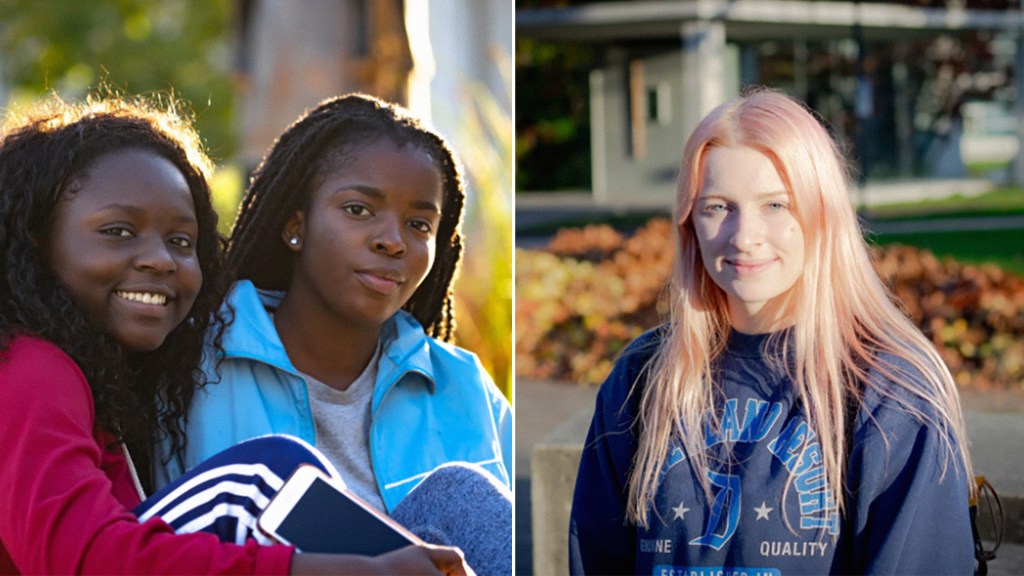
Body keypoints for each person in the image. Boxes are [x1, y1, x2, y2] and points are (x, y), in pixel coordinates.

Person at [0, 94, 470, 575]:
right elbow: (79, 559)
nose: (161, 259)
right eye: (119, 231)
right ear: (36, 239)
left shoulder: (93, 379)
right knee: (263, 477)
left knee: (459, 497)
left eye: (182, 242)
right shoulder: (33, 369)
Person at [568, 89, 975, 575]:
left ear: (822, 212)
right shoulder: (641, 379)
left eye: (776, 205)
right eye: (717, 207)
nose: (744, 236)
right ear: (689, 223)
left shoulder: (892, 393)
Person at [154, 93, 512, 575]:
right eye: (359, 210)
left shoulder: (463, 386)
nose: (393, 241)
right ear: (294, 226)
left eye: (419, 224)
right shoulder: (190, 361)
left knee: (460, 498)